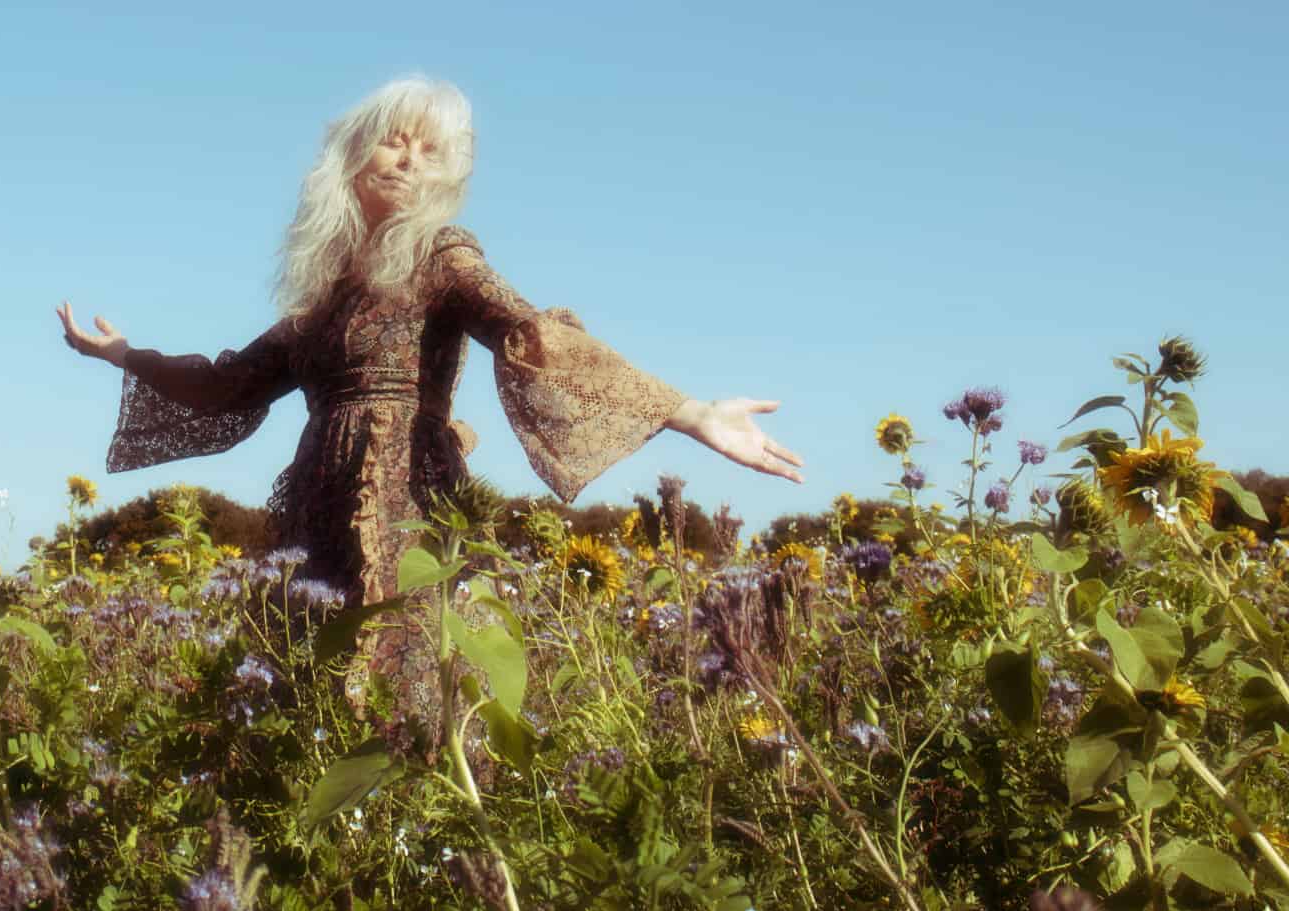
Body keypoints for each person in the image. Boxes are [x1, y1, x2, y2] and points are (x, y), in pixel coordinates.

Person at [57, 74, 803, 611]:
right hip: (323, 496)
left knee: (408, 662)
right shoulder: (322, 297)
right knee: (316, 661)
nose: (412, 160)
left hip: (409, 493)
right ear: (353, 154)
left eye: (432, 151)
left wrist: (687, 411)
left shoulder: (442, 255)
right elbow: (228, 384)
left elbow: (529, 335)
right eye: (396, 141)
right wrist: (123, 355)